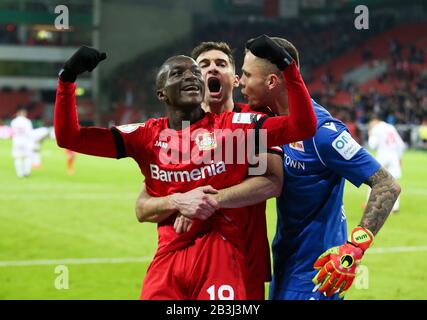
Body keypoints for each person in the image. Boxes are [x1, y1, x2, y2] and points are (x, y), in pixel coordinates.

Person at [54, 45, 316, 299]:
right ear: (161, 93)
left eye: (195, 72)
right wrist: (67, 79)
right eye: (180, 73)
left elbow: (299, 133)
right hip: (169, 257)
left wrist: (287, 66)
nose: (192, 76)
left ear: (234, 79)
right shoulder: (146, 136)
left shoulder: (239, 126)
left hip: (226, 253)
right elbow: (71, 138)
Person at [239, 35, 401, 300]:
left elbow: (387, 185)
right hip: (285, 266)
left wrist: (354, 249)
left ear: (271, 82)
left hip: (315, 276)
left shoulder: (323, 133)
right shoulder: (271, 122)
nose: (240, 82)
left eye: (246, 75)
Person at [135, 41, 284, 299]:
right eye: (203, 66)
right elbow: (142, 208)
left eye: (221, 64)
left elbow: (271, 182)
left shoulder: (253, 123)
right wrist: (178, 201)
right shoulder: (176, 133)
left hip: (246, 259)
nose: (212, 69)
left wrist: (208, 201)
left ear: (235, 79)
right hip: (182, 263)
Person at [368, 116, 405, 212]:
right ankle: (395, 207)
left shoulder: (375, 129)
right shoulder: (390, 127)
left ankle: (371, 205)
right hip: (393, 157)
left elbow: (372, 145)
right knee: (393, 183)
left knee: (374, 181)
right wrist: (400, 158)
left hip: (382, 157)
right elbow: (400, 144)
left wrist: (370, 134)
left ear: (374, 122)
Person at [10, 108, 33, 178]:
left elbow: (12, 132)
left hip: (16, 140)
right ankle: (27, 172)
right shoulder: (27, 121)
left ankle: (20, 173)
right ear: (24, 114)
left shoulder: (14, 121)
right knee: (27, 157)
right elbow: (30, 132)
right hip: (26, 141)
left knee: (17, 157)